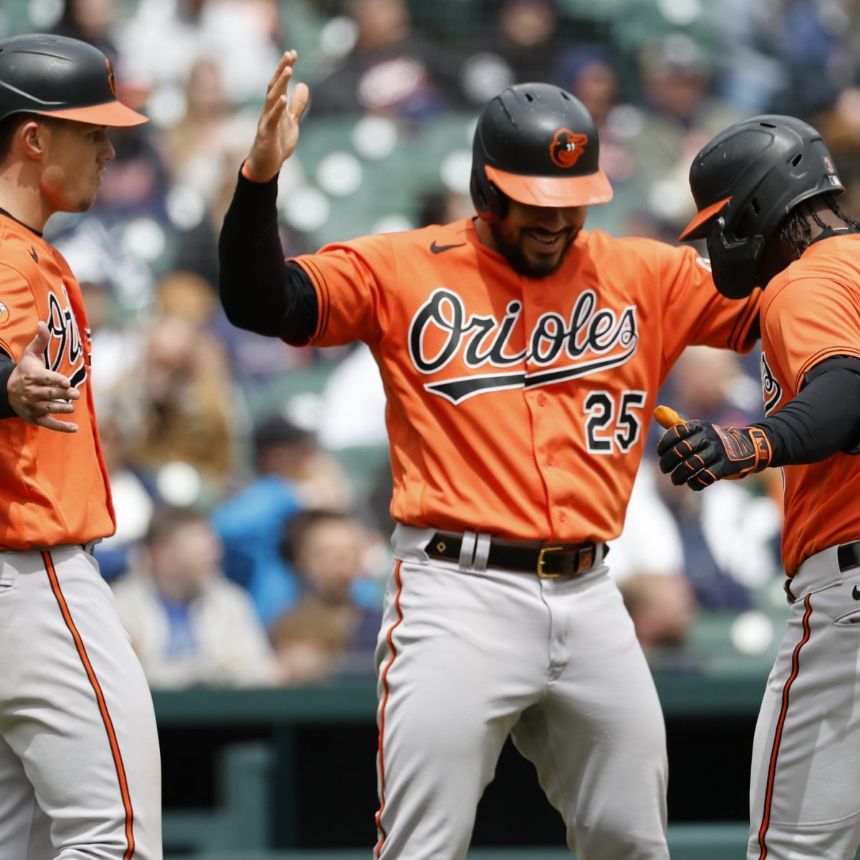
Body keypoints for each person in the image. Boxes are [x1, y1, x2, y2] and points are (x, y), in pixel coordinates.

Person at [218, 51, 763, 860]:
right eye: (534, 202)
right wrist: (258, 183)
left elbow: (785, 310)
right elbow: (261, 300)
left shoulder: (642, 271)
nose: (555, 220)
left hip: (591, 592)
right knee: (422, 845)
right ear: (485, 188)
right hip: (454, 592)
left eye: (571, 203)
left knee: (632, 840)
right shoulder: (402, 267)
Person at [656, 115, 860, 859]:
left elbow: (845, 394)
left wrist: (744, 443)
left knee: (793, 852)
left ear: (751, 207)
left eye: (720, 223)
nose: (716, 242)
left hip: (852, 601)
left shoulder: (806, 278)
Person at [0, 33, 162, 859]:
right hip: (31, 575)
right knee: (116, 839)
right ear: (34, 137)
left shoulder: (30, 248)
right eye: (92, 128)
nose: (110, 146)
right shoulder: (5, 254)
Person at [111, 504, 279, 689]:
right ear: (163, 555)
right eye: (201, 549)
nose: (214, 556)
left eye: (213, 547)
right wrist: (213, 668)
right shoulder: (121, 605)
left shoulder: (231, 601)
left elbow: (260, 671)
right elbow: (123, 679)